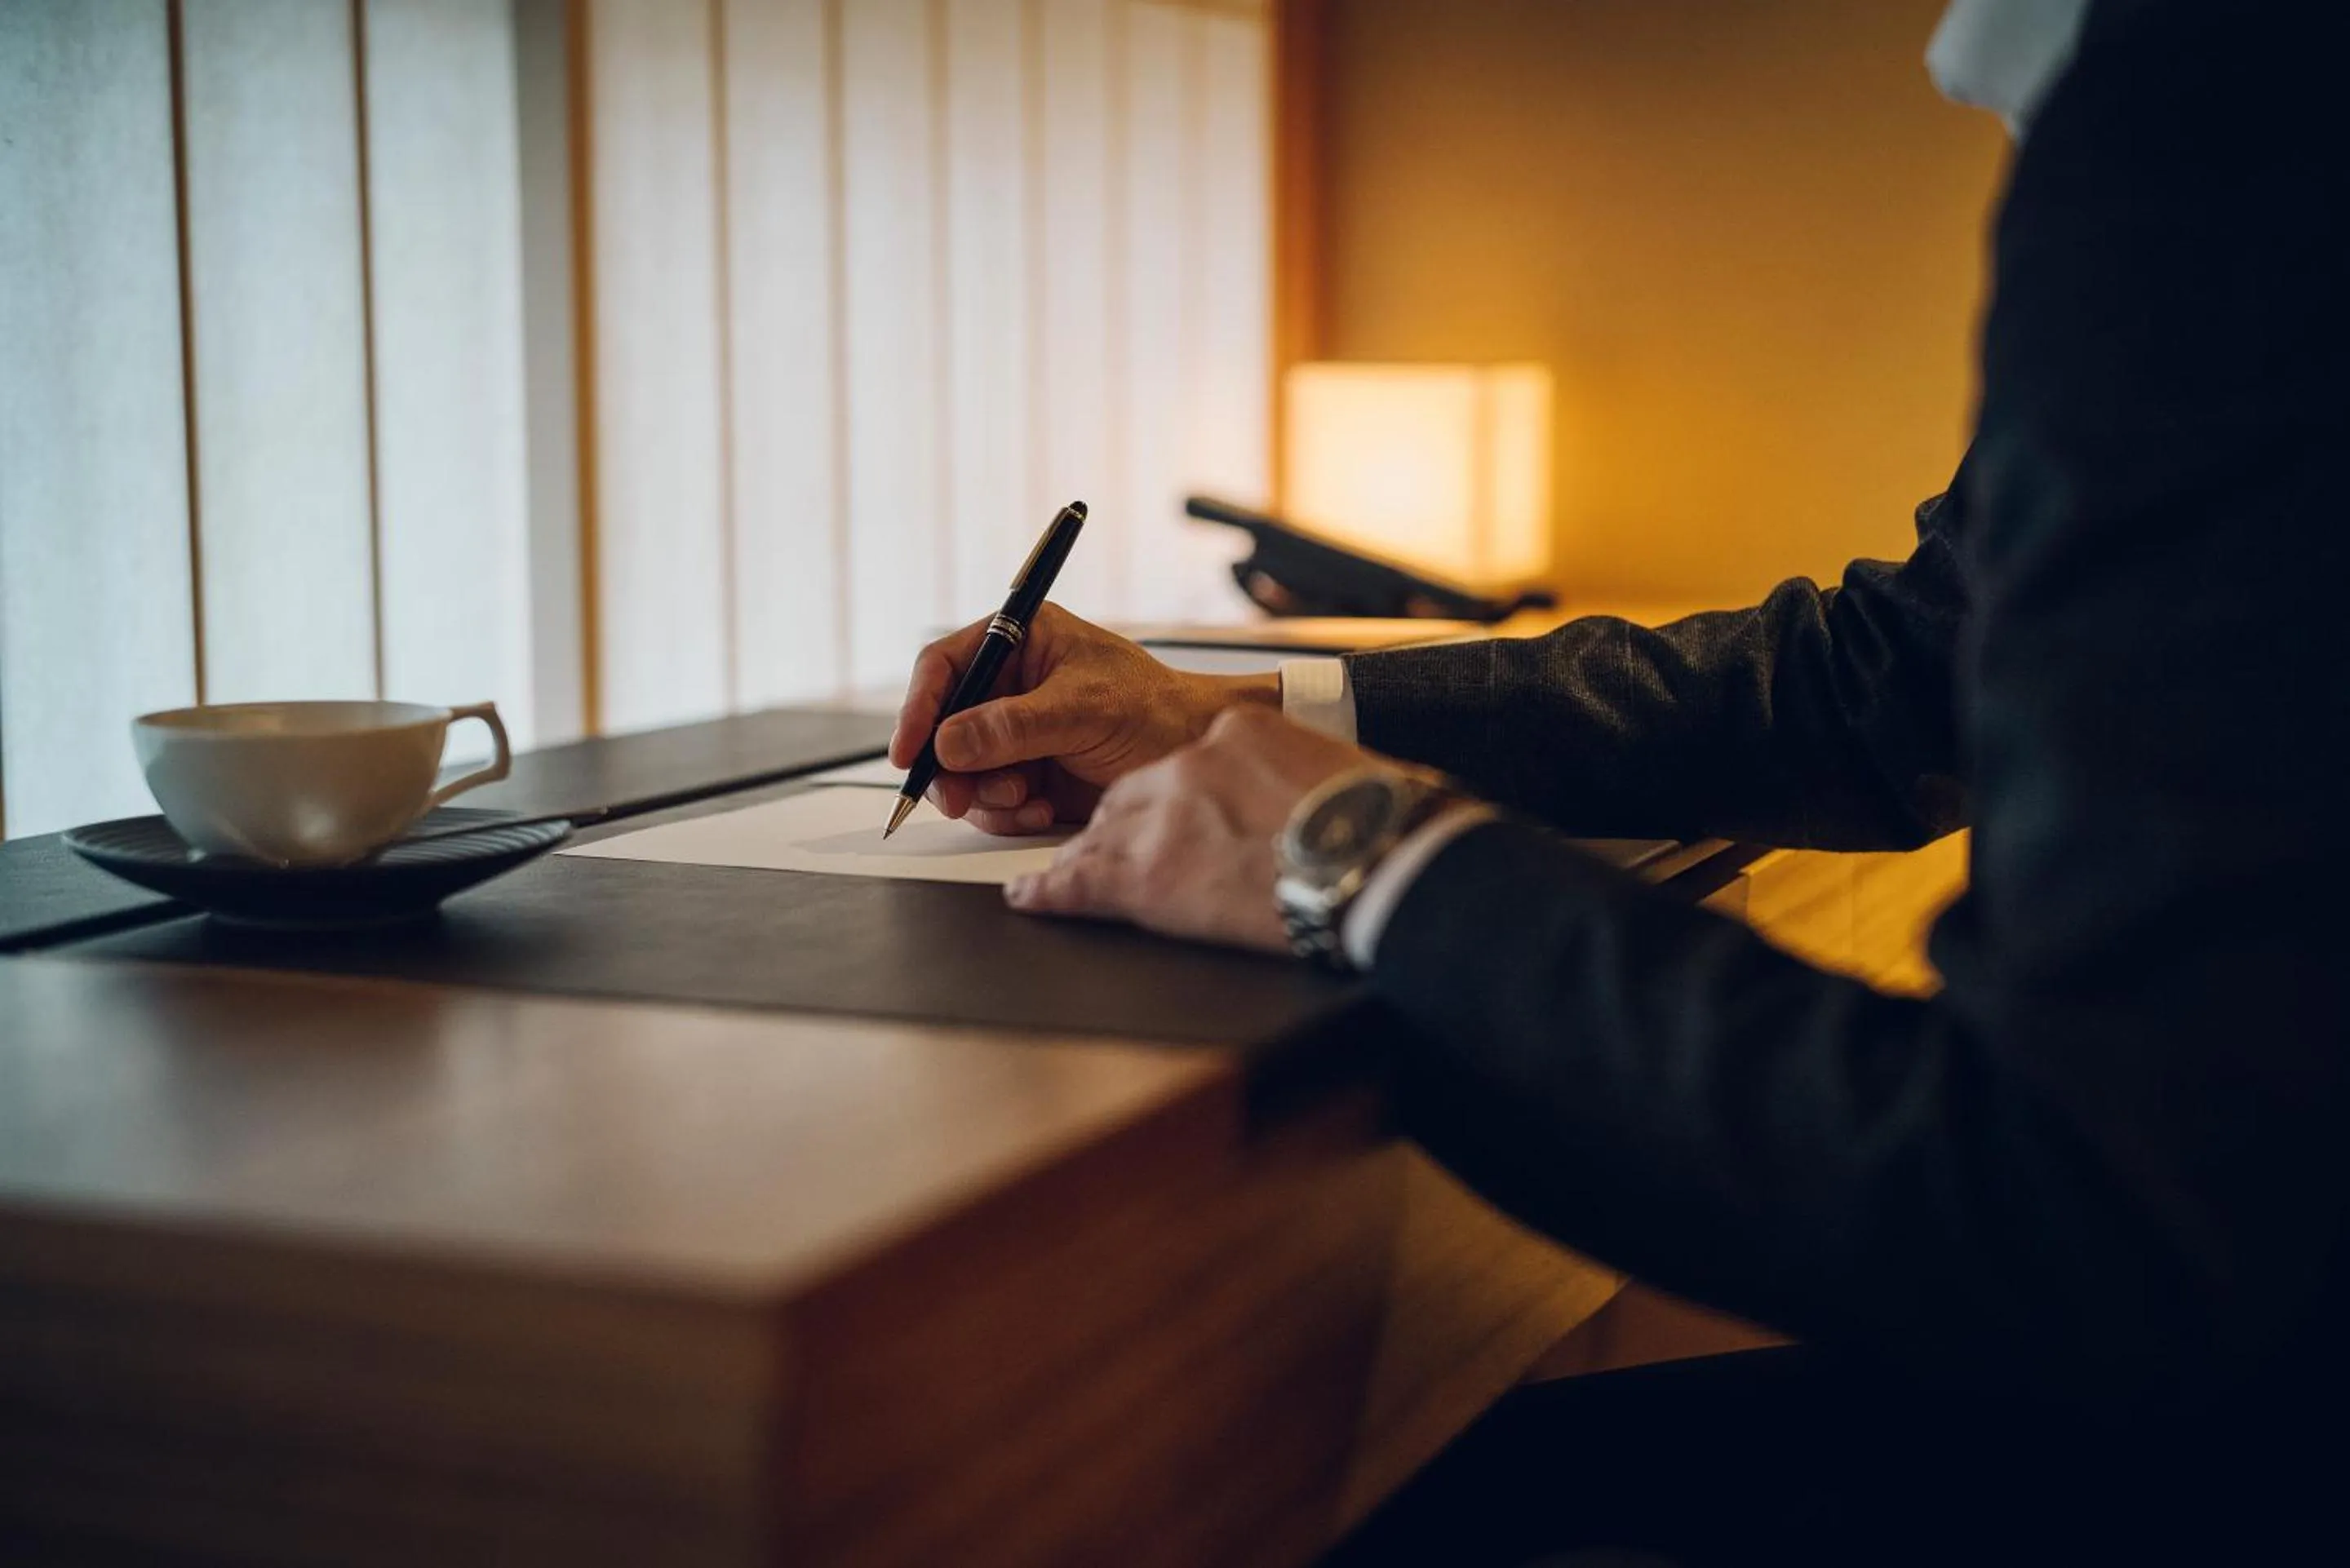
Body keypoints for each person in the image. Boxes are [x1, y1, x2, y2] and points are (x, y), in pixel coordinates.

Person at [893, 1, 2349, 1561]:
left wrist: (1359, 857)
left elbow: (2083, 1219)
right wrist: (1234, 712)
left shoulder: (2225, 108)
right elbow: (1890, 676)